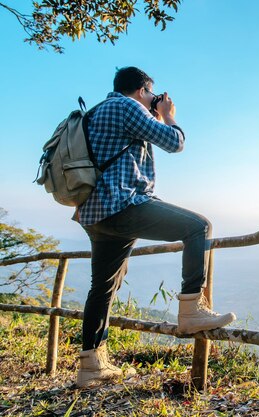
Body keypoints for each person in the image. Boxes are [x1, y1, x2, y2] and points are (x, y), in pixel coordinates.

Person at [74, 66, 236, 388]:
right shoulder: (127, 106)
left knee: (103, 286)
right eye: (151, 93)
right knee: (199, 227)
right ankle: (191, 309)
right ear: (141, 90)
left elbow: (140, 140)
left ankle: (90, 365)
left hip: (95, 214)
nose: (154, 99)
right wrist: (168, 114)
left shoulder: (97, 112)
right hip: (122, 205)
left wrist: (154, 114)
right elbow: (175, 143)